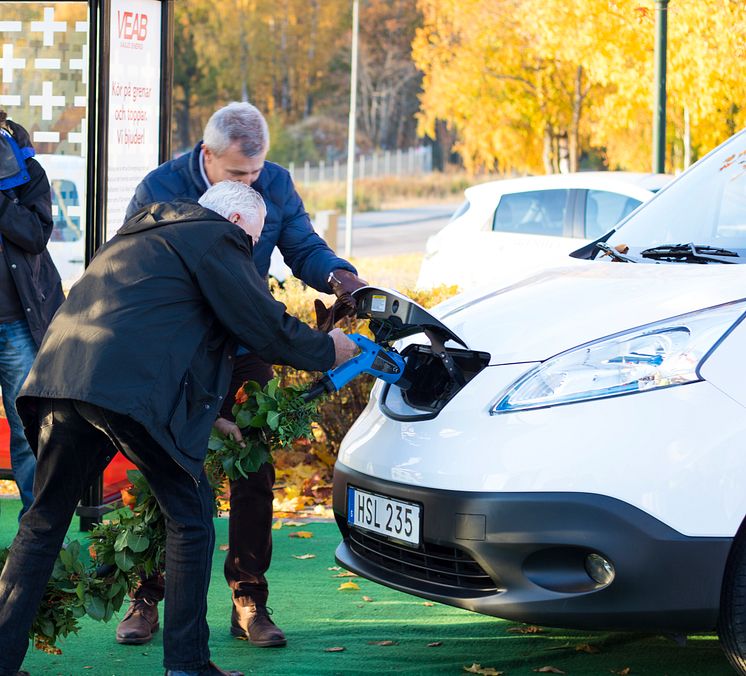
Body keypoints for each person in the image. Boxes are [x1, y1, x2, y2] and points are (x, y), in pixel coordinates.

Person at [0, 180, 358, 676]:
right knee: (190, 517)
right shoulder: (217, 236)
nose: (250, 252)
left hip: (60, 380)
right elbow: (263, 325)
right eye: (253, 241)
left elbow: (156, 331)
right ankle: (187, 666)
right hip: (121, 389)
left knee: (42, 522)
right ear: (236, 223)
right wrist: (329, 350)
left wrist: (212, 417)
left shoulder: (142, 234)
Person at [116, 101, 367, 648]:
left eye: (256, 173)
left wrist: (341, 277)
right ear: (207, 156)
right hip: (177, 347)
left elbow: (302, 244)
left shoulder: (275, 181)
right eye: (237, 174)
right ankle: (146, 593)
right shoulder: (160, 187)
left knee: (254, 461)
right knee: (165, 459)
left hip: (245, 336)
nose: (251, 184)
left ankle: (249, 596)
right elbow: (128, 264)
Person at [0, 112, 64, 517]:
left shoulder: (25, 170)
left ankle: (34, 542)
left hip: (16, 326)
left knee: (28, 434)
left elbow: (36, 235)